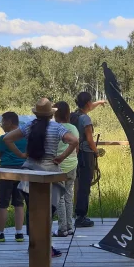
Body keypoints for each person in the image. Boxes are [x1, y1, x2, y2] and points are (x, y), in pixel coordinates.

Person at [3, 98, 79, 258]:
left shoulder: (29, 126)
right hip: (49, 172)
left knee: (33, 211)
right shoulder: (57, 127)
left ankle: (34, 246)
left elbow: (7, 139)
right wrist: (61, 157)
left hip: (29, 172)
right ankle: (46, 247)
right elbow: (74, 141)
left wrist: (22, 155)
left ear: (36, 113)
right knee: (47, 213)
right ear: (51, 113)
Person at [0, 112, 26, 243]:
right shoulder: (26, 137)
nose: (2, 125)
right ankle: (19, 233)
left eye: (3, 122)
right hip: (22, 171)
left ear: (10, 122)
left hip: (6, 171)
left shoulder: (4, 137)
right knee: (19, 202)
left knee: (3, 202)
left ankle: (0, 232)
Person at [72, 92, 107, 228]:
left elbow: (89, 107)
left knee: (78, 184)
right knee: (85, 186)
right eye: (91, 102)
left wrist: (100, 102)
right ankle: (81, 216)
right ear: (87, 103)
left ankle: (76, 214)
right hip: (86, 154)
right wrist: (96, 151)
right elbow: (90, 139)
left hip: (75, 153)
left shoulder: (74, 115)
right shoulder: (85, 119)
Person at [53, 101, 79, 237]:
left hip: (59, 166)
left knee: (59, 198)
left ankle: (62, 228)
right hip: (73, 164)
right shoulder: (74, 128)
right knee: (69, 196)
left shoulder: (55, 128)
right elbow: (76, 148)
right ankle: (70, 226)